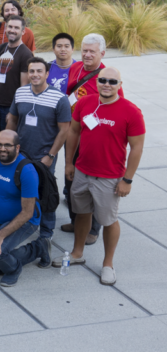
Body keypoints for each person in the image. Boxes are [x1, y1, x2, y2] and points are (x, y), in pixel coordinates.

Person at [62, 67, 144, 286]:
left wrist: (127, 179)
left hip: (109, 177)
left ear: (120, 84)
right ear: (96, 82)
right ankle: (77, 253)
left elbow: (136, 148)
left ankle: (108, 264)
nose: (107, 84)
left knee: (109, 220)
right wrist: (69, 163)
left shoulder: (131, 111)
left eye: (112, 81)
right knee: (81, 213)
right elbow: (74, 132)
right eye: (103, 80)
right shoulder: (85, 103)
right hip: (81, 171)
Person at [6, 57, 70, 241]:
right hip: (20, 155)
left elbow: (64, 129)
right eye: (31, 71)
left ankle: (46, 234)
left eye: (39, 71)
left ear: (47, 74)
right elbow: (12, 120)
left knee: (45, 193)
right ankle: (22, 224)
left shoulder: (59, 98)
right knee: (20, 190)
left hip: (43, 156)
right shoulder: (20, 93)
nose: (34, 75)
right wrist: (7, 147)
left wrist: (50, 155)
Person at [0, 130, 51, 286]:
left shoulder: (26, 171)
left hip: (26, 220)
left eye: (8, 145)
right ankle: (39, 247)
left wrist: (0, 235)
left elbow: (27, 213)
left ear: (17, 147)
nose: (2, 148)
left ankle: (15, 270)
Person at [0, 16, 33, 132]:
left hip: (9, 107)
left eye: (16, 28)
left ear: (23, 31)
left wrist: (14, 112)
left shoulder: (26, 54)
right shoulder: (1, 48)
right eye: (10, 26)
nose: (12, 30)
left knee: (7, 143)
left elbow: (24, 87)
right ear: (5, 28)